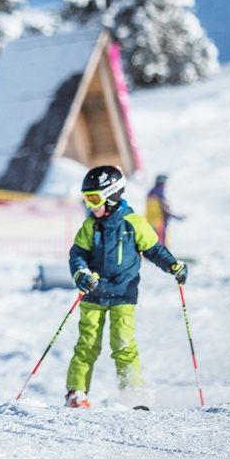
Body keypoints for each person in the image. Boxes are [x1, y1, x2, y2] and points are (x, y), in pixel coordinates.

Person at [64, 165, 188, 409]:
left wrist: (172, 265)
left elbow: (154, 249)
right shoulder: (90, 226)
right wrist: (81, 273)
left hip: (124, 293)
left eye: (93, 199)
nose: (90, 205)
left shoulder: (133, 222)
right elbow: (77, 254)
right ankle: (76, 393)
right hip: (94, 293)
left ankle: (133, 395)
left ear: (111, 195)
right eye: (86, 199)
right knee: (87, 344)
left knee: (123, 343)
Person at [145, 174, 184, 245]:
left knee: (152, 244)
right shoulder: (160, 193)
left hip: (149, 222)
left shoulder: (150, 193)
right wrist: (176, 217)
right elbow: (165, 210)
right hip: (159, 223)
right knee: (161, 245)